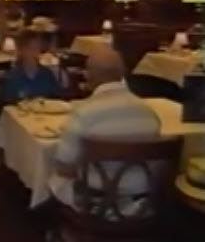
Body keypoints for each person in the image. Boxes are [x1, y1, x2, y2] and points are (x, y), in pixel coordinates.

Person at [49, 47, 161, 213]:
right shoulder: (149, 114)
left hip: (95, 203)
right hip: (140, 204)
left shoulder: (84, 113)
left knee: (55, 177)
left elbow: (63, 167)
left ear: (90, 76)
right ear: (122, 73)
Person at [0, 29, 61, 104]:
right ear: (20, 50)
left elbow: (57, 100)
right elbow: (7, 104)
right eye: (30, 48)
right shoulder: (11, 78)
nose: (33, 52)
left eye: (36, 47)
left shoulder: (47, 74)